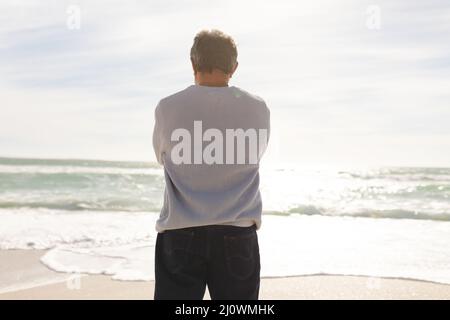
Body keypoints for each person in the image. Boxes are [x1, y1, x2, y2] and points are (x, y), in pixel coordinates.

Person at [152, 29, 270, 300]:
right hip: (237, 233)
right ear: (235, 68)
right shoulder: (258, 107)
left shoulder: (168, 107)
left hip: (180, 233)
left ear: (193, 63)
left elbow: (162, 156)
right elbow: (254, 155)